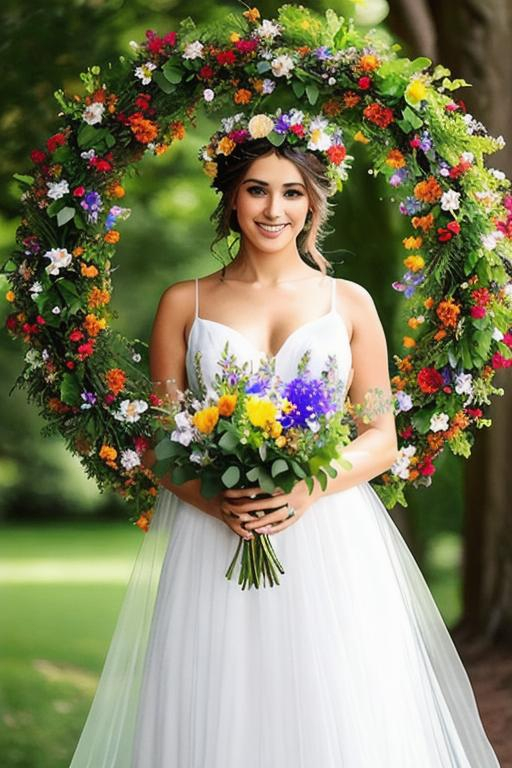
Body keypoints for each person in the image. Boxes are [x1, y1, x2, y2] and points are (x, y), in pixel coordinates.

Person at [69, 114, 501, 767]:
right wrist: (220, 504)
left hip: (330, 533)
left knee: (338, 709)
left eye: (292, 191)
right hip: (215, 535)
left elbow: (380, 435)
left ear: (313, 202)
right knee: (220, 709)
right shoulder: (182, 304)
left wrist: (304, 489)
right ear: (231, 196)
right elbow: (160, 441)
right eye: (257, 189)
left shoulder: (350, 304)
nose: (275, 208)